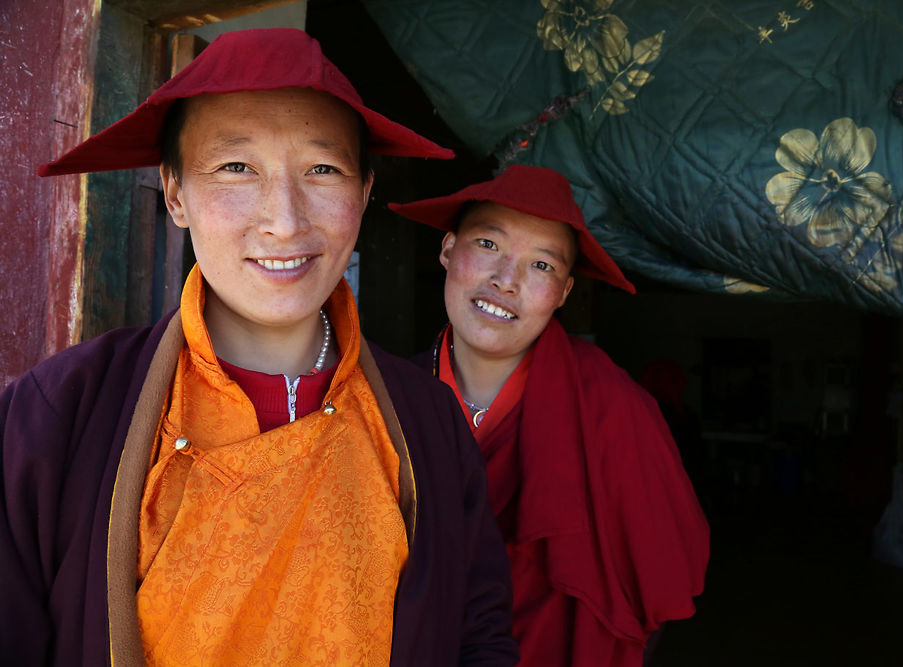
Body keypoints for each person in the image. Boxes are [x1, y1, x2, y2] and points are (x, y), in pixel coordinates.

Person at [0, 28, 517, 666]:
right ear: (174, 193)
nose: (285, 220)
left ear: (363, 193)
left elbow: (477, 636)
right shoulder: (58, 414)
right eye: (236, 168)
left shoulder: (426, 423)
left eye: (322, 169)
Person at [390, 164, 710, 666]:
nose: (506, 281)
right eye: (489, 246)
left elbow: (662, 578)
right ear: (449, 250)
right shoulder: (386, 397)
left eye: (541, 266)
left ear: (563, 293)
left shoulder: (610, 405)